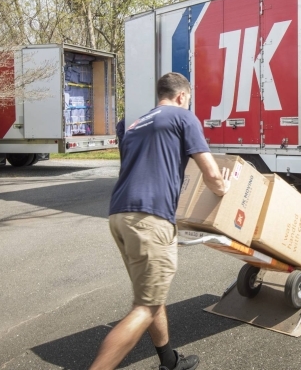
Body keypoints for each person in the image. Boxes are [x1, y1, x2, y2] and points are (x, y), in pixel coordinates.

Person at [90, 73, 229, 370]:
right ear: (181, 97)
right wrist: (225, 190)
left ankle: (169, 361)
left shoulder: (136, 124)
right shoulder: (182, 117)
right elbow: (211, 173)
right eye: (188, 99)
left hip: (119, 215)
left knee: (151, 294)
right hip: (150, 218)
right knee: (145, 306)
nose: (187, 103)